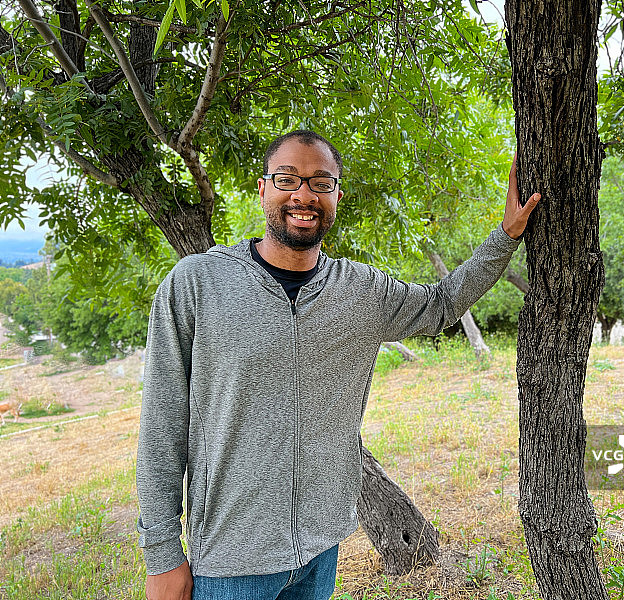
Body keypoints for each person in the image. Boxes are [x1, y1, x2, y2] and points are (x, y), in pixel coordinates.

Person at [137, 130, 541, 600]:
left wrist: (506, 235)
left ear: (336, 197)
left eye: (320, 182)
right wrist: (162, 556)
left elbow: (441, 304)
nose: (303, 195)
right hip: (231, 562)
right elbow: (162, 425)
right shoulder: (197, 283)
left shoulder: (360, 291)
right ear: (263, 189)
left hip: (321, 550)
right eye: (287, 179)